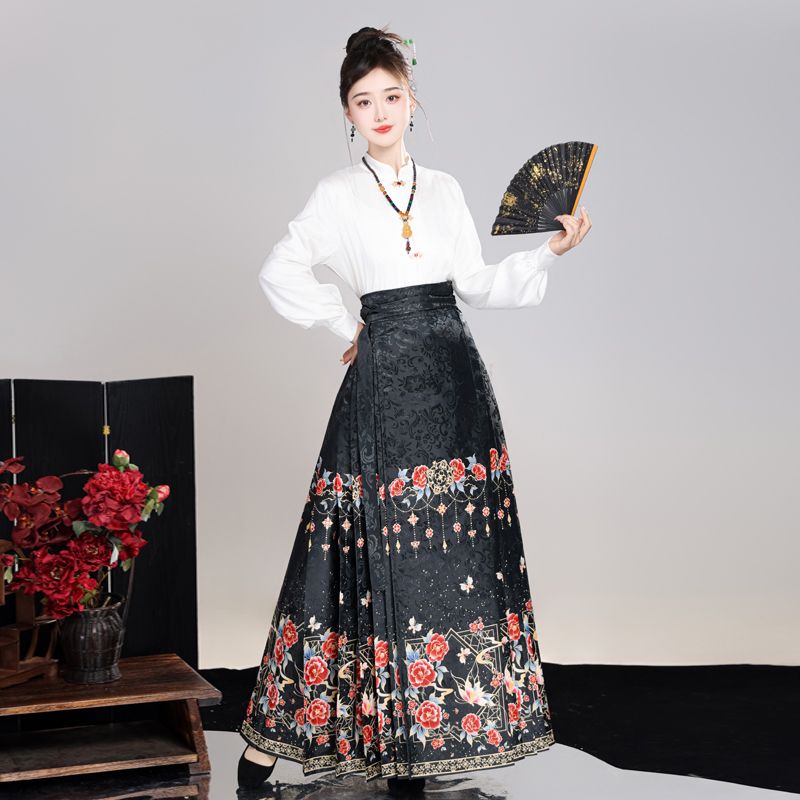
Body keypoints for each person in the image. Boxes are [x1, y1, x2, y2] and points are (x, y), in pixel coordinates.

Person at [237, 25, 591, 796]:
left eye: (391, 96)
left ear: (412, 99)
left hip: (454, 381)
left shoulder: (447, 189)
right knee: (366, 551)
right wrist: (346, 324)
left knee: (448, 560)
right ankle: (284, 748)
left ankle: (425, 748)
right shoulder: (336, 195)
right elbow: (280, 269)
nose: (380, 111)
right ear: (348, 113)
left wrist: (549, 253)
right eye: (364, 101)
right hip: (383, 380)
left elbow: (477, 285)